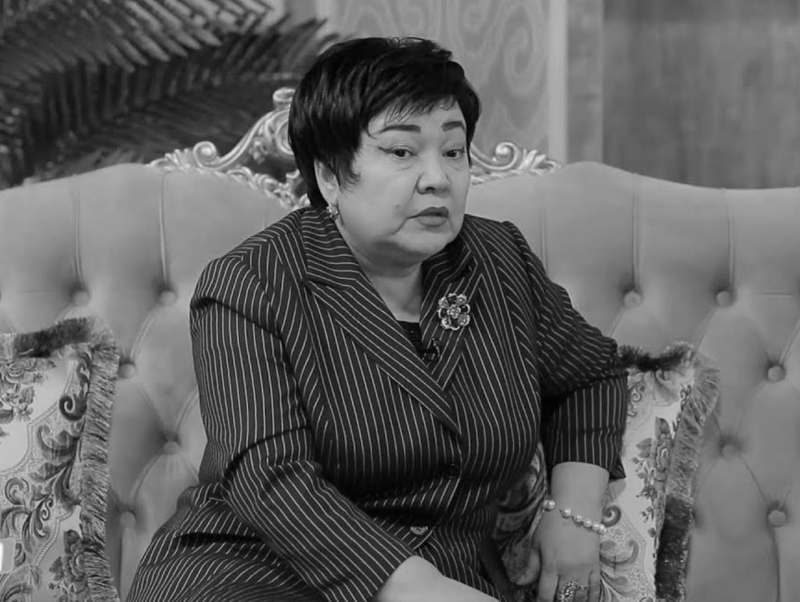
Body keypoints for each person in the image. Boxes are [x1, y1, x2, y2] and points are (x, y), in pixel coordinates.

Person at [127, 36, 627, 602]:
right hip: (257, 569)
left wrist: (573, 515)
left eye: (454, 150)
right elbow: (270, 477)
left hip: (450, 572)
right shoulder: (250, 284)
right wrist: (417, 588)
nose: (438, 178)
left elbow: (592, 375)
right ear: (331, 175)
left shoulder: (497, 260)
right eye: (402, 152)